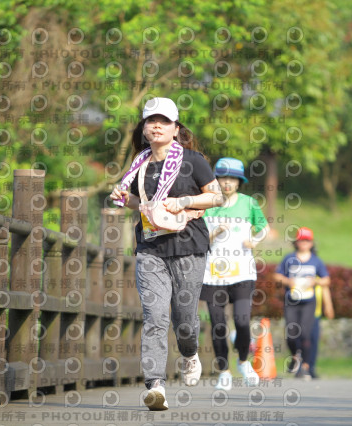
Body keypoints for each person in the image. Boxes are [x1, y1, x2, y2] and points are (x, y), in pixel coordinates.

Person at [109, 97, 222, 411]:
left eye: (163, 121)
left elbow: (217, 197)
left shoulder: (193, 160)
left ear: (175, 128)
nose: (156, 125)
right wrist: (123, 197)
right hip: (150, 249)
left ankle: (188, 354)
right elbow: (141, 205)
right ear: (144, 128)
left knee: (184, 321)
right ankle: (155, 385)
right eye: (150, 121)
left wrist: (184, 201)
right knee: (155, 318)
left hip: (189, 248)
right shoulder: (139, 165)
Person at [199, 158, 270, 391]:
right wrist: (215, 232)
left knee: (241, 320)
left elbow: (264, 228)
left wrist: (254, 241)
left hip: (242, 273)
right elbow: (199, 241)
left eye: (232, 179)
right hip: (213, 274)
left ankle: (242, 361)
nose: (227, 183)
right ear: (216, 180)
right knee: (218, 324)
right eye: (222, 178)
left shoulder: (249, 204)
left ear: (239, 182)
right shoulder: (208, 204)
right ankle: (224, 371)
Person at [274, 227, 331, 380]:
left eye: (307, 240)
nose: (304, 243)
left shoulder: (316, 261)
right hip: (292, 300)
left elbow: (326, 279)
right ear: (296, 242)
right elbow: (277, 275)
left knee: (306, 334)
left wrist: (316, 281)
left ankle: (305, 366)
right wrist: (287, 280)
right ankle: (295, 356)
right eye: (301, 240)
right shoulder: (289, 258)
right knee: (291, 335)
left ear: (311, 243)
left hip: (308, 302)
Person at [307, 272, 334, 379]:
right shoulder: (300, 276)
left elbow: (325, 289)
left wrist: (329, 306)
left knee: (313, 341)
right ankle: (300, 367)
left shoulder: (318, 279)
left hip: (315, 315)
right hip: (301, 316)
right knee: (302, 340)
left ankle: (311, 367)